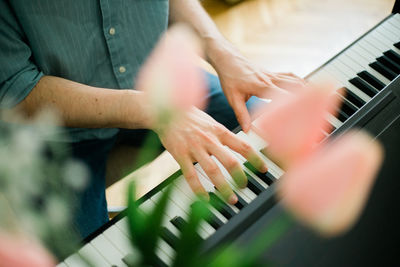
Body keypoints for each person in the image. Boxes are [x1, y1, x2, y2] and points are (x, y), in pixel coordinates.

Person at [0, 0, 305, 238]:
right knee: (82, 256)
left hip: (161, 82)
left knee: (286, 136)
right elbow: (15, 85)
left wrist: (221, 50)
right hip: (55, 133)